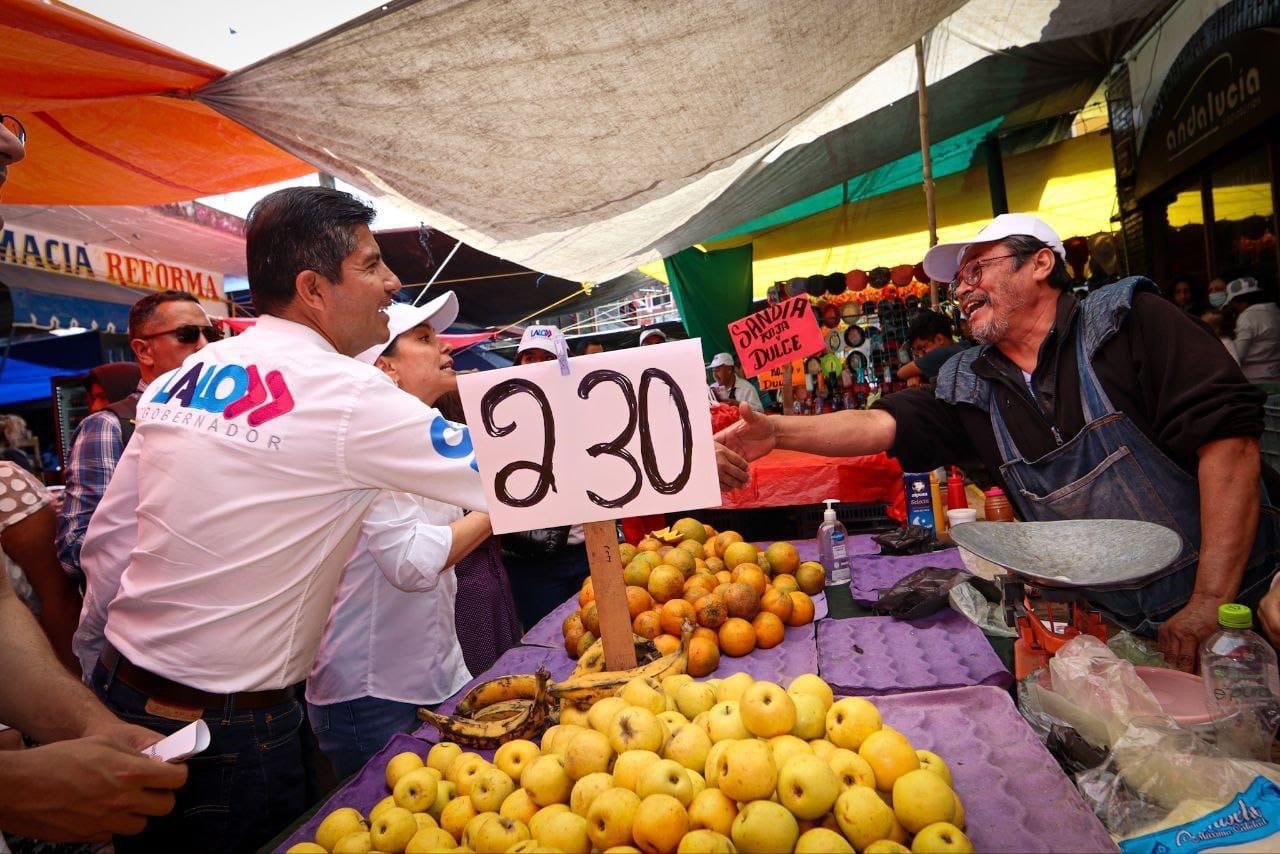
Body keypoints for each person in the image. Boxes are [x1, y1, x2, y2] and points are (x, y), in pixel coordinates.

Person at [76, 186, 486, 852]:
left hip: (124, 696)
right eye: (372, 264)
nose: (392, 282)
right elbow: (524, 469)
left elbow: (113, 542)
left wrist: (93, 686)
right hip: (230, 732)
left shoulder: (196, 367)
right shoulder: (346, 391)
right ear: (313, 288)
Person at [716, 213, 1280, 671]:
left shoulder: (1128, 323)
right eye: (958, 279)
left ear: (1040, 264)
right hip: (1122, 630)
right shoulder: (973, 383)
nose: (961, 288)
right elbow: (882, 424)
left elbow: (1229, 448)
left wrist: (1210, 602)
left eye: (977, 269)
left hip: (1242, 611)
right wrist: (780, 431)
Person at [306, 298, 492, 778]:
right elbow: (411, 564)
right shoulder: (368, 443)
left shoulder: (432, 437)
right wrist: (506, 503)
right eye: (425, 339)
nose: (444, 347)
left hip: (430, 674)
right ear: (385, 366)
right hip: (373, 694)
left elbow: (534, 447)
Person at [57, 293, 214, 585]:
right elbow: (76, 549)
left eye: (211, 334)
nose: (204, 345)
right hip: (149, 614)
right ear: (144, 351)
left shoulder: (224, 418)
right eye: (187, 334)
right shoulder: (108, 426)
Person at [504, 325, 589, 628]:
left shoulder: (588, 408)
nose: (536, 364)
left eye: (546, 357)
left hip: (588, 551)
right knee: (547, 640)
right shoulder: (500, 415)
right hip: (531, 560)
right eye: (529, 357)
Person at [434, 391, 524, 675]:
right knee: (488, 677)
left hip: (487, 579)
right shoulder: (458, 469)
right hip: (472, 588)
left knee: (498, 671)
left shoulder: (465, 464)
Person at [1225, 276, 1280, 384]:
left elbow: (1239, 355)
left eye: (1233, 303)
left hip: (1255, 379)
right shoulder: (1275, 311)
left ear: (1238, 301)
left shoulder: (1246, 317)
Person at [895, 310, 969, 387]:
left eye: (923, 348)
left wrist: (915, 375)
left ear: (939, 339)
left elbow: (901, 373)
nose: (921, 356)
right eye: (917, 351)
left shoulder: (942, 354)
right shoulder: (963, 346)